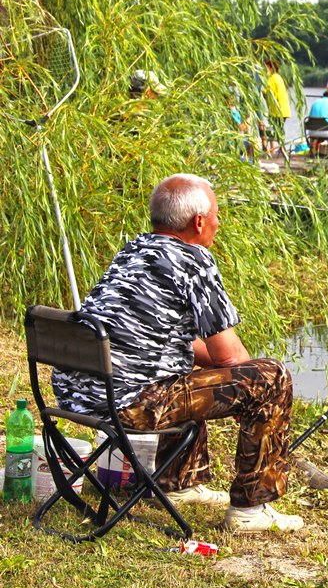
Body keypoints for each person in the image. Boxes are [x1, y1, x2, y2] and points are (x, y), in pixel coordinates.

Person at [51, 173, 303, 533]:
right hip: (126, 404)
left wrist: (231, 377)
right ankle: (250, 510)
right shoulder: (194, 260)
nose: (219, 223)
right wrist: (255, 392)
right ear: (199, 221)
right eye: (217, 215)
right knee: (271, 378)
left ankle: (179, 483)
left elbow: (172, 345)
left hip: (78, 394)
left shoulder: (133, 250)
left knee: (179, 367)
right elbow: (228, 356)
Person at [263, 59, 290, 156]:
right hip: (284, 109)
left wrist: (262, 92)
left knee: (275, 129)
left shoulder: (272, 78)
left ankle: (277, 148)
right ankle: (278, 148)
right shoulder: (279, 77)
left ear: (270, 68)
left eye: (265, 68)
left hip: (276, 110)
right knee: (279, 129)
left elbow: (267, 92)